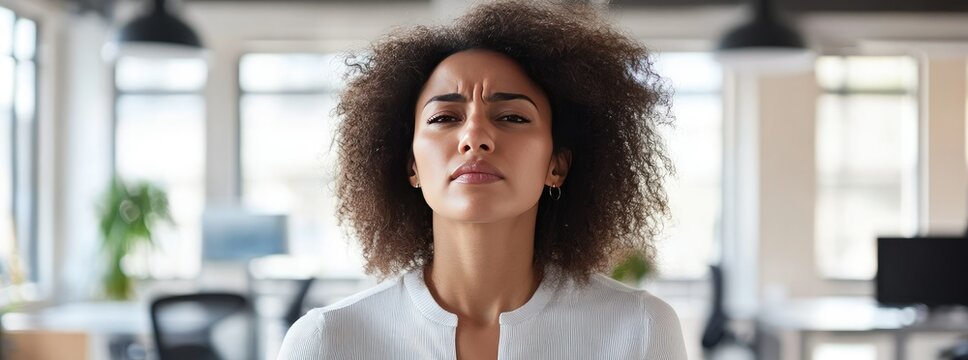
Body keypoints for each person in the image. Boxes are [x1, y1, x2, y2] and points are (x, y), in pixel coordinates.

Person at [278, 1, 687, 359]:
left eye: (512, 117)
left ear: (556, 166)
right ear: (411, 166)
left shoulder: (640, 329)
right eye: (444, 118)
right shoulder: (327, 341)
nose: (474, 137)